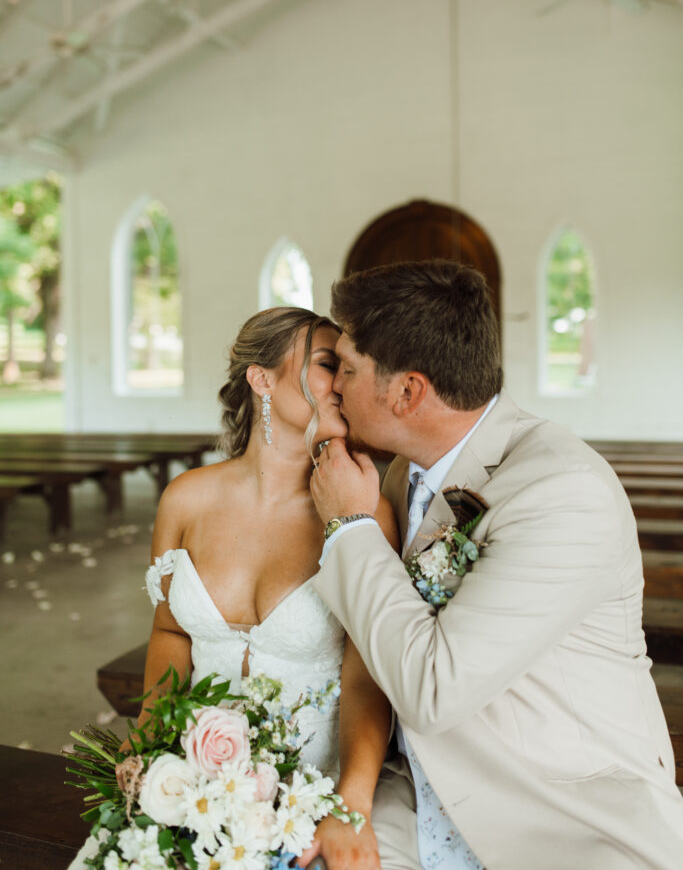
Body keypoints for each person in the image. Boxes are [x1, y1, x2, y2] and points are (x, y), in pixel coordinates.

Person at [309, 260, 683, 870]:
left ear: (407, 391)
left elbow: (433, 688)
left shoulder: (564, 490)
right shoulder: (405, 472)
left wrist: (349, 528)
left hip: (562, 818)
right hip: (425, 795)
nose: (333, 388)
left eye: (347, 369)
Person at [72, 307, 398, 870]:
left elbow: (368, 672)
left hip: (310, 792)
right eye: (327, 364)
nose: (345, 382)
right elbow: (171, 628)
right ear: (262, 378)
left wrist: (351, 805)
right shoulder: (186, 499)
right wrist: (152, 737)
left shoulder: (362, 507)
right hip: (192, 783)